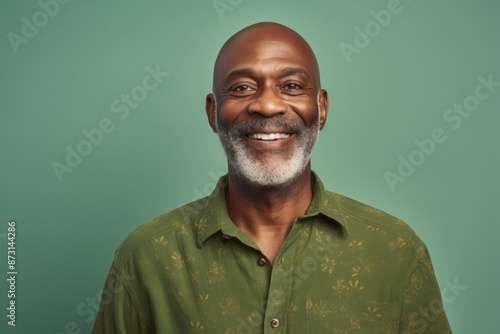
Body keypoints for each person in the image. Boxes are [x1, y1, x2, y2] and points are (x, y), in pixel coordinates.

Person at [92, 22, 451, 333]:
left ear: (321, 108)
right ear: (213, 112)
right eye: (242, 87)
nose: (267, 106)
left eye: (292, 86)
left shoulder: (395, 252)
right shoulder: (147, 259)